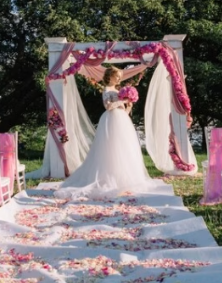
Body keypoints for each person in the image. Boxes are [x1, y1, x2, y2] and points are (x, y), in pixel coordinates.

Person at [55, 66, 162, 199]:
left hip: (122, 121)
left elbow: (124, 111)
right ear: (109, 76)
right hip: (110, 120)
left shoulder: (118, 90)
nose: (119, 79)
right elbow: (108, 106)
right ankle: (108, 176)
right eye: (117, 76)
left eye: (119, 77)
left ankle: (123, 177)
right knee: (110, 148)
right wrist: (122, 100)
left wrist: (128, 105)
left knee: (123, 148)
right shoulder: (107, 90)